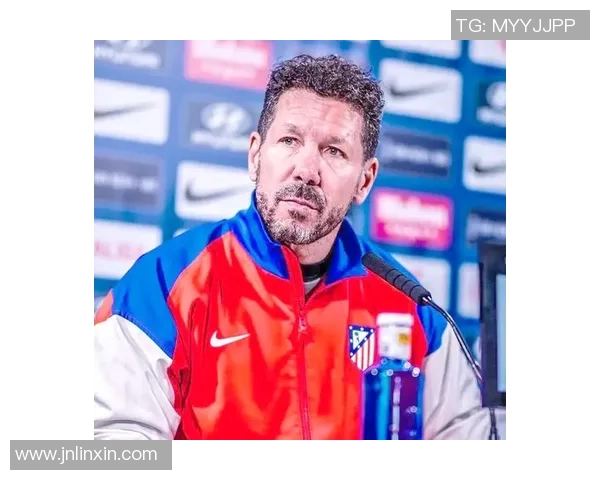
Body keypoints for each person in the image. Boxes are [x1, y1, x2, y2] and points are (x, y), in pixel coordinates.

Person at [94, 54, 491, 440]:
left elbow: (468, 441)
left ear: (365, 181)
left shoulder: (407, 304)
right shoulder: (164, 283)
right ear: (255, 155)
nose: (306, 170)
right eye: (289, 140)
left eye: (334, 151)